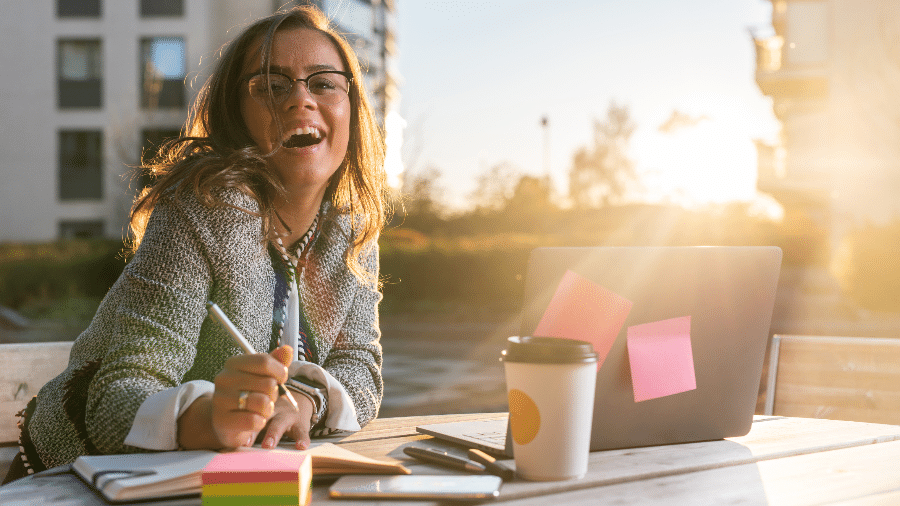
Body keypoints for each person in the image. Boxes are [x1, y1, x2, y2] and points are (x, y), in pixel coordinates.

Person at [4, 5, 388, 482]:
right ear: (237, 115)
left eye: (324, 82)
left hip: (241, 479)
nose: (300, 100)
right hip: (70, 481)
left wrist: (310, 399)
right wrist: (208, 417)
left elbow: (361, 367)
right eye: (271, 85)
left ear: (351, 105)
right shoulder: (199, 207)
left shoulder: (354, 232)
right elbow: (113, 398)